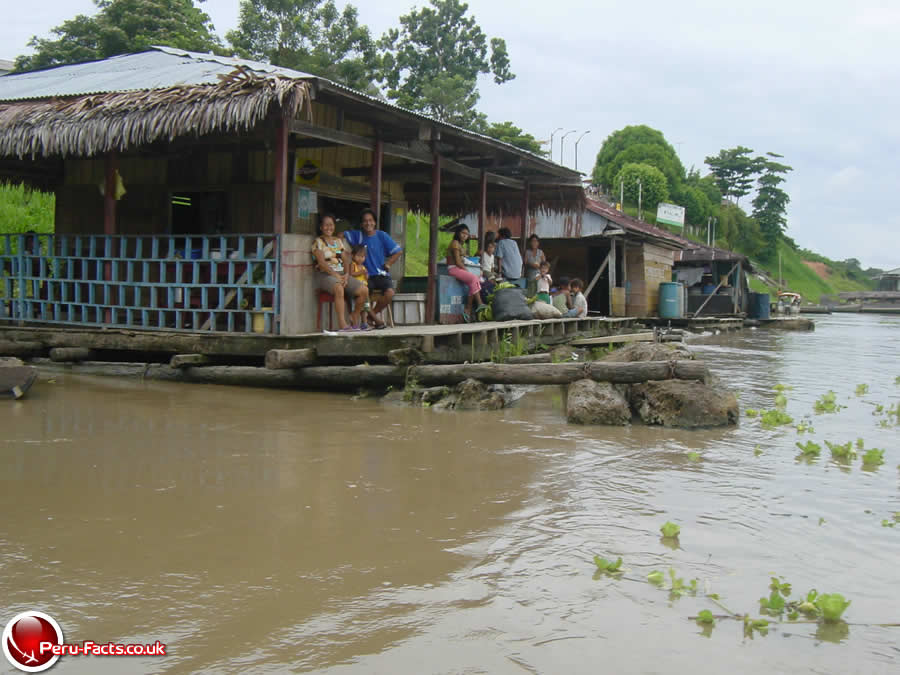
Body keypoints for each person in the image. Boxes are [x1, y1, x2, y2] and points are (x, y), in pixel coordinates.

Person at [344, 208, 402, 329]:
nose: (368, 223)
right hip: (364, 276)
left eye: (370, 220)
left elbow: (398, 251)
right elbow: (342, 234)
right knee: (364, 294)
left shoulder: (382, 235)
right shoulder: (358, 235)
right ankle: (375, 320)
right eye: (365, 221)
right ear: (361, 224)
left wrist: (388, 264)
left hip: (380, 274)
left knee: (390, 293)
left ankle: (372, 317)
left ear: (375, 222)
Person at [312, 214, 368, 332]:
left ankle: (354, 315)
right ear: (321, 227)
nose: (329, 227)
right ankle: (343, 324)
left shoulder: (338, 241)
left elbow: (346, 260)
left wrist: (347, 275)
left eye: (331, 225)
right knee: (339, 288)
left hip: (342, 274)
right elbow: (322, 263)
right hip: (325, 275)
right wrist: (336, 276)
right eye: (326, 225)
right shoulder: (318, 242)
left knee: (364, 290)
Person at [445, 225, 483, 322]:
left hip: (458, 269)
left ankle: (467, 310)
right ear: (458, 233)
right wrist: (466, 270)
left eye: (466, 234)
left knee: (473, 282)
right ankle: (479, 304)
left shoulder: (461, 246)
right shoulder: (455, 243)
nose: (464, 235)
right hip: (453, 269)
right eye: (463, 233)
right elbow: (458, 262)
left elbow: (466, 258)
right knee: (474, 278)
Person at [349, 244, 372, 328]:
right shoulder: (353, 265)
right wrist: (360, 272)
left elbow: (366, 277)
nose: (361, 258)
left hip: (365, 291)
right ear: (353, 255)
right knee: (356, 307)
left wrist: (366, 275)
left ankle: (364, 322)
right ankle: (355, 323)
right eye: (358, 256)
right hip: (357, 290)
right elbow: (351, 274)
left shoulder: (363, 267)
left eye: (363, 256)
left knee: (366, 307)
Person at [479, 239, 498, 304]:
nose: (490, 249)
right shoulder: (483, 254)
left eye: (492, 247)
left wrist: (493, 273)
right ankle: (492, 290)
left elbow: (492, 267)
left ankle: (497, 288)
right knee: (491, 277)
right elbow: (477, 256)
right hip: (484, 270)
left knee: (498, 277)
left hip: (490, 271)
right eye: (489, 247)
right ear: (486, 248)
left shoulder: (492, 256)